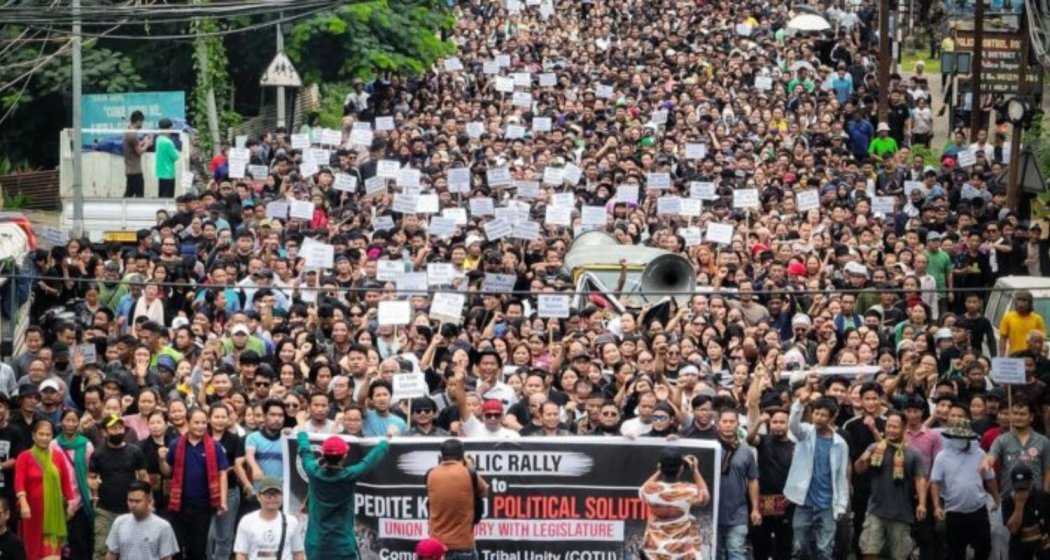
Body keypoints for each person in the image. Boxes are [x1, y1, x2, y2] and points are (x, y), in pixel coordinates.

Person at [296, 431, 388, 559]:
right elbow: (368, 462)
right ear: (345, 455)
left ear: (322, 454)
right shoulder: (349, 475)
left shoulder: (312, 471)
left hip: (316, 545)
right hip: (342, 546)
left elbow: (305, 452)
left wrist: (302, 434)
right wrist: (385, 442)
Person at [854, 410, 928, 560]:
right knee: (869, 551)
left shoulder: (913, 453)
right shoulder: (875, 447)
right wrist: (864, 459)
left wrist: (922, 503)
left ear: (904, 428)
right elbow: (858, 469)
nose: (891, 430)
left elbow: (920, 478)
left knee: (899, 555)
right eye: (889, 426)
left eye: (896, 427)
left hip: (901, 514)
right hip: (875, 510)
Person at [785, 393, 850, 560]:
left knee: (825, 550)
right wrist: (799, 403)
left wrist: (841, 504)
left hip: (828, 503)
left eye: (823, 415)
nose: (819, 418)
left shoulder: (840, 443)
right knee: (799, 547)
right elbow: (793, 425)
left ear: (832, 417)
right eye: (816, 413)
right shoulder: (806, 432)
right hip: (804, 501)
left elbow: (841, 476)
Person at [164, 408, 230, 560]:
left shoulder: (214, 446)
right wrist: (162, 459)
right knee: (177, 549)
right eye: (196, 422)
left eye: (203, 423)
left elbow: (223, 473)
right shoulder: (176, 444)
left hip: (203, 506)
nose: (200, 426)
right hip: (178, 505)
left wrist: (223, 501)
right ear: (188, 423)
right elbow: (167, 471)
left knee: (198, 550)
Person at [931, 421, 999, 560]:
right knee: (955, 552)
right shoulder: (942, 457)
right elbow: (935, 482)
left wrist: (997, 499)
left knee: (984, 547)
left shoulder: (980, 454)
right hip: (954, 513)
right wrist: (937, 506)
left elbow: (990, 479)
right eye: (956, 437)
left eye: (963, 437)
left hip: (978, 510)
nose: (959, 440)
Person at [89, 414, 147, 560]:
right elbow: (90, 477)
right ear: (104, 432)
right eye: (113, 428)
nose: (118, 431)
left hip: (131, 510)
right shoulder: (98, 454)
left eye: (120, 428)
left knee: (132, 552)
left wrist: (147, 501)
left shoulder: (135, 451)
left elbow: (144, 477)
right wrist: (92, 484)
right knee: (102, 551)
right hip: (105, 510)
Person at [14, 419, 74, 560]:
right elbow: (19, 482)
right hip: (32, 513)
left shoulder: (58, 456)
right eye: (41, 434)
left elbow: (66, 482)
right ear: (33, 436)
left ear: (52, 437)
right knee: (33, 551)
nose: (45, 437)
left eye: (48, 434)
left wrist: (71, 503)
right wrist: (23, 503)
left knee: (52, 554)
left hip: (54, 512)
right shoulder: (24, 457)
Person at [639, 449, 710, 559]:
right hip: (681, 552)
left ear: (660, 467)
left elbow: (643, 488)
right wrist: (695, 470)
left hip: (654, 552)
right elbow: (705, 497)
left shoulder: (649, 489)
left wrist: (659, 471)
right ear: (681, 469)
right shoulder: (688, 490)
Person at [425, 439, 488, 560]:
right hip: (463, 545)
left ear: (442, 455)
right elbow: (484, 491)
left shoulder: (431, 474)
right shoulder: (469, 473)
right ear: (462, 455)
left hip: (437, 548)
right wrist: (470, 466)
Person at [713, 408, 760, 560]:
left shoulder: (746, 451)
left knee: (737, 552)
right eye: (724, 421)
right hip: (713, 513)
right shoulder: (710, 448)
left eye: (731, 422)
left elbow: (753, 480)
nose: (728, 425)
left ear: (738, 424)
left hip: (738, 512)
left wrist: (755, 509)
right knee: (716, 554)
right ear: (718, 424)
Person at [232, 477, 305, 560]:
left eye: (276, 494)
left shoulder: (291, 522)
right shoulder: (246, 521)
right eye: (268, 494)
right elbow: (241, 554)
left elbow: (298, 553)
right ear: (258, 496)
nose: (272, 498)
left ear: (282, 496)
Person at [104, 480, 179, 560]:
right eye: (130, 500)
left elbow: (166, 558)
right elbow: (111, 554)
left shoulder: (163, 526)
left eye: (137, 501)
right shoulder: (119, 522)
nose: (133, 505)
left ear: (149, 500)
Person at [1000, 463, 1049, 560]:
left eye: (1024, 486)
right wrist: (1019, 506)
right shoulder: (1008, 501)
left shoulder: (1043, 497)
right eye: (1018, 487)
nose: (1021, 490)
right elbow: (1013, 530)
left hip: (1042, 549)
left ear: (1031, 482)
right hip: (1019, 549)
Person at [999, 290, 1046, 356]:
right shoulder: (1008, 317)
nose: (1021, 303)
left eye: (1024, 300)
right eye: (1019, 300)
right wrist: (1001, 357)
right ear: (1015, 302)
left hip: (1032, 357)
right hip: (1014, 356)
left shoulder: (1037, 319)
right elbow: (1003, 339)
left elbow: (1042, 341)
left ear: (1030, 303)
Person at [123, 110, 152, 198]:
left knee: (128, 195)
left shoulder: (129, 131)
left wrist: (143, 141)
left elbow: (135, 146)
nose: (142, 125)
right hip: (135, 171)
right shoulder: (132, 134)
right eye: (142, 122)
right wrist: (147, 144)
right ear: (138, 121)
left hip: (130, 170)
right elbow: (139, 152)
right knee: (139, 197)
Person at [154, 118, 179, 198]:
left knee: (161, 196)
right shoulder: (168, 142)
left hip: (161, 173)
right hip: (168, 174)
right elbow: (175, 157)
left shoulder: (158, 139)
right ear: (169, 128)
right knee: (168, 198)